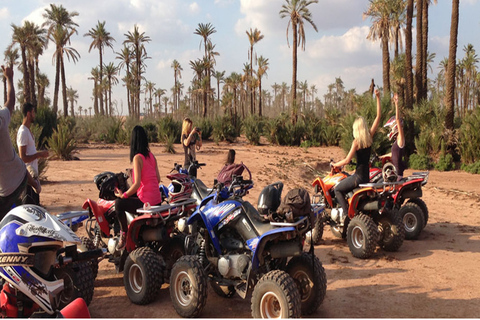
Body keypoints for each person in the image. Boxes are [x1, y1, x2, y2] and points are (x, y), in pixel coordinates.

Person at [332, 88, 382, 223]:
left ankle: (347, 215)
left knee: (337, 189)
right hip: (367, 176)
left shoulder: (356, 142)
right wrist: (378, 97)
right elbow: (378, 117)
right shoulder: (369, 138)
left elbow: (347, 160)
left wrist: (335, 164)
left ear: (356, 129)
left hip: (358, 178)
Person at [113, 125, 162, 250]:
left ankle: (123, 234)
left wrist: (123, 195)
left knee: (118, 204)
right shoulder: (151, 156)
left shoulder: (137, 158)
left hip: (146, 202)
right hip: (157, 200)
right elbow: (158, 179)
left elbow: (136, 184)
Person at [0, 65, 39, 220]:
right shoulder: (2, 118)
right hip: (21, 176)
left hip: (6, 190)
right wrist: (9, 77)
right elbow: (10, 101)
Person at [17, 102, 49, 205]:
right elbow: (23, 158)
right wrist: (39, 155)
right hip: (27, 179)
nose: (34, 115)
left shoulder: (28, 131)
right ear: (28, 114)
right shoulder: (23, 132)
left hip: (33, 178)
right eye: (33, 112)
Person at [380, 93, 406, 181]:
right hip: (394, 173)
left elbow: (398, 119)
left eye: (391, 127)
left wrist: (396, 104)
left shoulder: (400, 139)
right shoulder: (397, 142)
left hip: (397, 175)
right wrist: (382, 156)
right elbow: (393, 154)